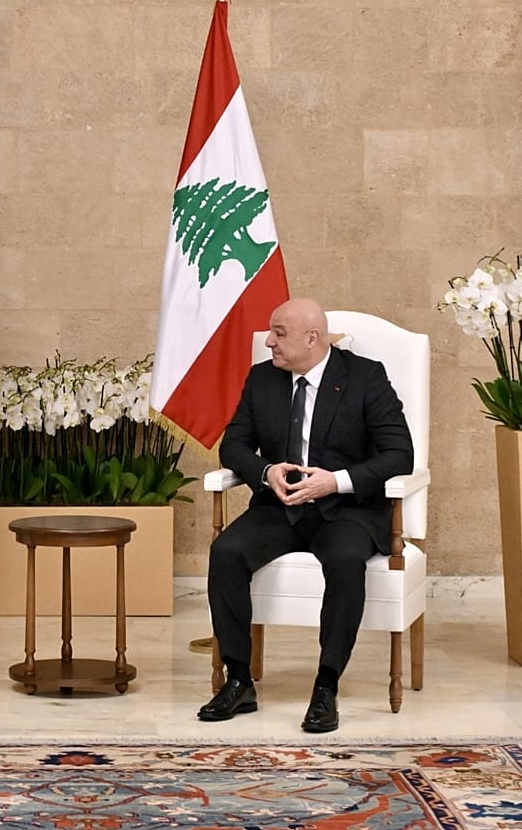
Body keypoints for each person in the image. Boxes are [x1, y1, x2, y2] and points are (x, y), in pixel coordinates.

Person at [199, 298, 414, 732]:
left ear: (311, 338)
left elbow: (399, 454)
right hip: (280, 508)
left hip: (346, 510)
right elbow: (233, 445)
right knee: (226, 552)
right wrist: (266, 470)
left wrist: (335, 481)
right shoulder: (263, 379)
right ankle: (239, 680)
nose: (268, 341)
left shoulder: (364, 377)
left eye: (278, 332)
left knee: (344, 560)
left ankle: (326, 687)